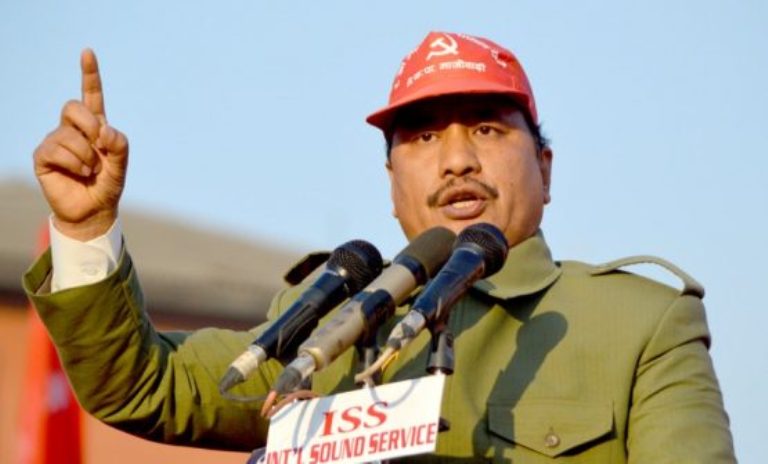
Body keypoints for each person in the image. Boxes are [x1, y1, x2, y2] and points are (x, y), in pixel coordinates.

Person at [25, 31, 735, 462]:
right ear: (392, 185)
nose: (456, 160)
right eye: (423, 137)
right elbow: (143, 385)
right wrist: (86, 229)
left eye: (487, 129)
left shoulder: (638, 324)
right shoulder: (325, 320)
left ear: (545, 170)